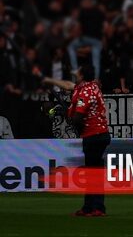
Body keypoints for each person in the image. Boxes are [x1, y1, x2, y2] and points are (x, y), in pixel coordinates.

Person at [46, 64, 112, 217]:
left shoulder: (85, 92)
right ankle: (90, 207)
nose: (75, 72)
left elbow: (78, 117)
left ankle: (97, 208)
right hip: (98, 134)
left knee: (93, 172)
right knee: (92, 171)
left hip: (94, 135)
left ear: (82, 75)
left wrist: (69, 116)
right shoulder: (87, 87)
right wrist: (50, 80)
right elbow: (69, 85)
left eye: (78, 70)